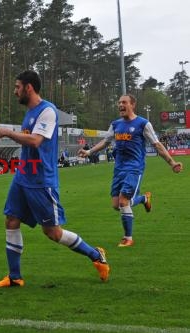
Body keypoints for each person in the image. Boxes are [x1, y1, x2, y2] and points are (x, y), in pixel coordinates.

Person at [0, 70, 109, 288]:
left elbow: (35, 141)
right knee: (11, 220)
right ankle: (15, 277)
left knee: (52, 233)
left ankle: (95, 254)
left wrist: (8, 132)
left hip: (41, 181)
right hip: (23, 176)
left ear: (29, 88)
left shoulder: (47, 111)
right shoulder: (30, 112)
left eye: (17, 87)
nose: (15, 91)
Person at [78, 94, 183, 247]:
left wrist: (172, 163)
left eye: (124, 102)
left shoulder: (143, 124)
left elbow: (157, 145)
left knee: (123, 201)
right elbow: (105, 142)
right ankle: (144, 199)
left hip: (134, 168)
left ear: (133, 104)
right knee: (116, 205)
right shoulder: (115, 124)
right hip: (119, 168)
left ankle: (128, 238)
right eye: (119, 102)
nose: (120, 105)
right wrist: (89, 152)